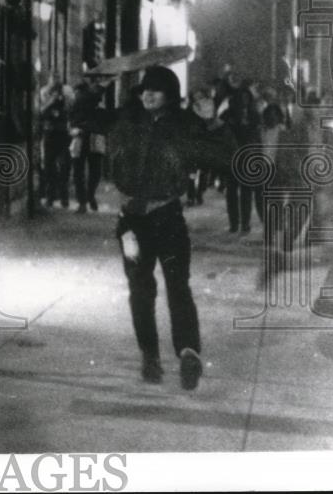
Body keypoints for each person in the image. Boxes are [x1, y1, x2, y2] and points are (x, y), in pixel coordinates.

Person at [102, 65, 233, 389]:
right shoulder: (128, 120)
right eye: (144, 88)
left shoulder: (185, 125)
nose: (147, 94)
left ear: (170, 95)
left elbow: (226, 157)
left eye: (155, 89)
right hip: (131, 225)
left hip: (168, 220)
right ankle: (150, 356)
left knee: (178, 287)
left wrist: (212, 122)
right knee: (140, 289)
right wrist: (96, 86)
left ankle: (188, 353)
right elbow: (82, 118)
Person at [223, 87, 262, 235]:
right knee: (231, 192)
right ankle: (234, 223)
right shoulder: (228, 114)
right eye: (241, 98)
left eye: (247, 98)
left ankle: (245, 223)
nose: (244, 101)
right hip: (231, 157)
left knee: (246, 192)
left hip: (248, 157)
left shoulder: (255, 115)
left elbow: (258, 135)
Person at [69, 79, 106, 213]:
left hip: (81, 136)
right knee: (95, 170)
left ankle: (83, 201)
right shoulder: (95, 100)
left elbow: (71, 121)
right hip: (95, 135)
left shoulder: (77, 103)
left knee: (78, 171)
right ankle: (89, 196)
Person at [38, 81, 72, 208]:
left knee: (64, 168)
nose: (57, 95)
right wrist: (51, 101)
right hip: (50, 136)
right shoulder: (46, 104)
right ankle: (50, 197)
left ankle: (64, 198)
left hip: (62, 136)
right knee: (48, 168)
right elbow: (41, 113)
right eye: (54, 92)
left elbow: (69, 112)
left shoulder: (65, 103)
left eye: (58, 92)